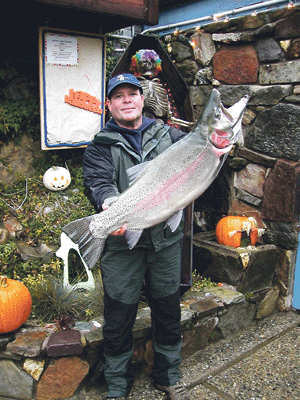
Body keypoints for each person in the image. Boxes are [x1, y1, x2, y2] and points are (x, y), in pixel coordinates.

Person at [82, 73, 191, 400]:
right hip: (121, 246)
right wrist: (112, 207)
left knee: (168, 311)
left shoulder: (172, 137)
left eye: (133, 93)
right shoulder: (100, 145)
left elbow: (199, 160)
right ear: (109, 105)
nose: (127, 99)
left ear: (143, 101)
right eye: (119, 95)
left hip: (165, 242)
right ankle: (117, 385)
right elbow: (99, 184)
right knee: (118, 317)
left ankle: (168, 377)